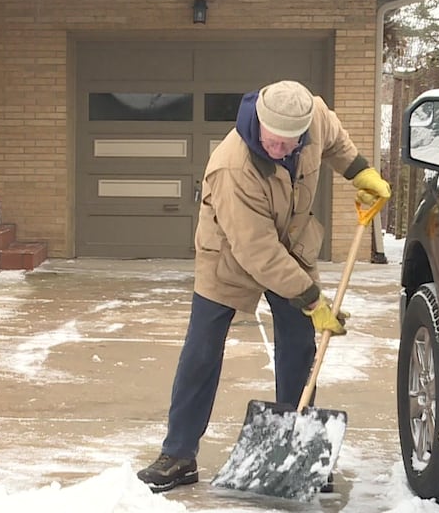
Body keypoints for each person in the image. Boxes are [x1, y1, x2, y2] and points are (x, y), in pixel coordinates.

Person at [136, 80, 391, 492]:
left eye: (289, 144)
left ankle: (295, 447)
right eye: (273, 141)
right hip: (230, 252)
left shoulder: (315, 119)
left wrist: (360, 172)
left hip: (290, 244)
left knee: (299, 345)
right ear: (259, 123)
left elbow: (335, 141)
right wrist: (313, 299)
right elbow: (258, 251)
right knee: (202, 349)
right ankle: (179, 454)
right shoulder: (231, 166)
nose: (279, 149)